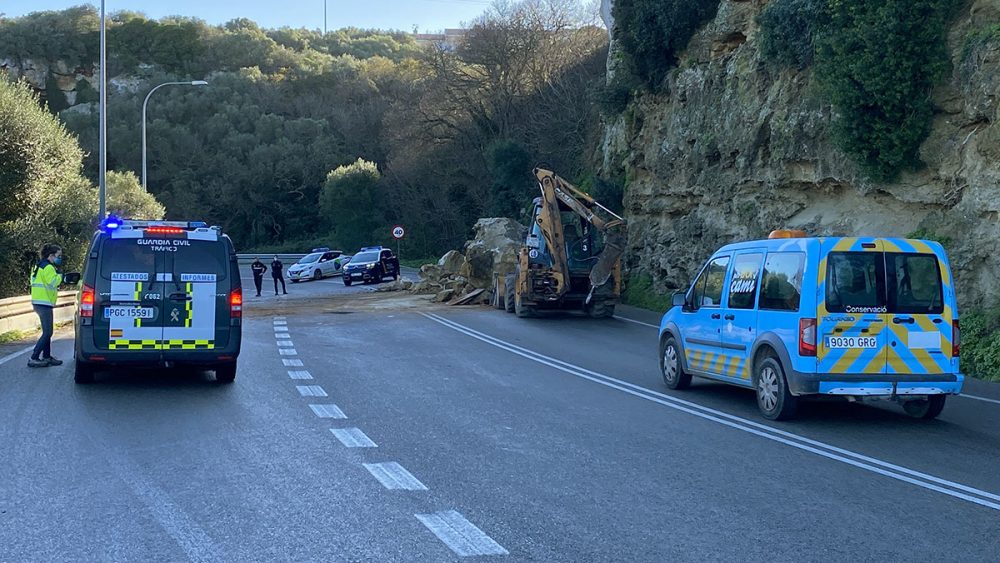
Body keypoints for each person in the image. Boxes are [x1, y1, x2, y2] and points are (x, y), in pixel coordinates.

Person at [28, 243, 64, 368]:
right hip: (44, 303)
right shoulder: (48, 267)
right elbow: (53, 282)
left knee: (46, 331)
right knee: (48, 332)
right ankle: (34, 357)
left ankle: (47, 356)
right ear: (51, 255)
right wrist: (60, 275)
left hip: (38, 302)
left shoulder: (37, 266)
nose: (59, 258)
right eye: (58, 255)